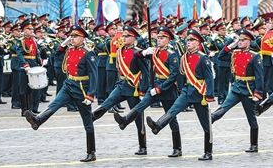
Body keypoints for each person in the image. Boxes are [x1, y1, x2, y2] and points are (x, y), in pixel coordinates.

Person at [24, 26, 98, 162]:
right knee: (55, 104)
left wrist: (90, 95)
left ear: (82, 39)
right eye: (71, 36)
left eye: (75, 37)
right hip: (69, 84)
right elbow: (55, 56)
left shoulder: (88, 53)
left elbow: (94, 75)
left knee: (87, 121)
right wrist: (63, 45)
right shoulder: (69, 50)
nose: (72, 39)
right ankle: (38, 120)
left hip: (82, 88)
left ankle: (91, 152)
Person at [145, 29, 215, 161]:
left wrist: (209, 95)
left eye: (192, 40)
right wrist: (181, 89)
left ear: (198, 42)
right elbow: (181, 76)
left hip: (199, 93)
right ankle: (158, 125)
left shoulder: (203, 57)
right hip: (187, 91)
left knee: (205, 124)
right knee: (173, 110)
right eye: (187, 40)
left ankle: (208, 151)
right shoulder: (184, 57)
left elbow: (209, 78)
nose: (188, 43)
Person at [113, 26, 182, 157]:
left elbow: (174, 76)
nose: (159, 40)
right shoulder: (154, 51)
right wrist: (143, 53)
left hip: (166, 89)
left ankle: (177, 148)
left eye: (162, 38)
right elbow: (135, 54)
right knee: (141, 104)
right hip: (154, 85)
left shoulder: (171, 54)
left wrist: (160, 88)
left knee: (171, 117)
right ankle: (125, 120)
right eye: (158, 37)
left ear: (168, 40)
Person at [91, 25, 150, 155]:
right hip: (122, 85)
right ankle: (91, 117)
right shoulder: (120, 50)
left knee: (138, 118)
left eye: (127, 36)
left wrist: (143, 91)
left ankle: (143, 146)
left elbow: (146, 73)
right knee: (107, 103)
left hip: (134, 88)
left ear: (134, 38)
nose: (124, 38)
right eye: (123, 36)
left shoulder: (138, 53)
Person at [210, 29, 263, 153]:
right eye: (239, 39)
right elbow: (221, 56)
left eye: (243, 40)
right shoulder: (235, 53)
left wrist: (258, 93)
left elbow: (260, 76)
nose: (240, 42)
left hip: (248, 89)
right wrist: (230, 46)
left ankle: (254, 144)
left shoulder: (254, 56)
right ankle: (211, 119)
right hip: (236, 87)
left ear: (249, 42)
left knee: (251, 118)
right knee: (224, 106)